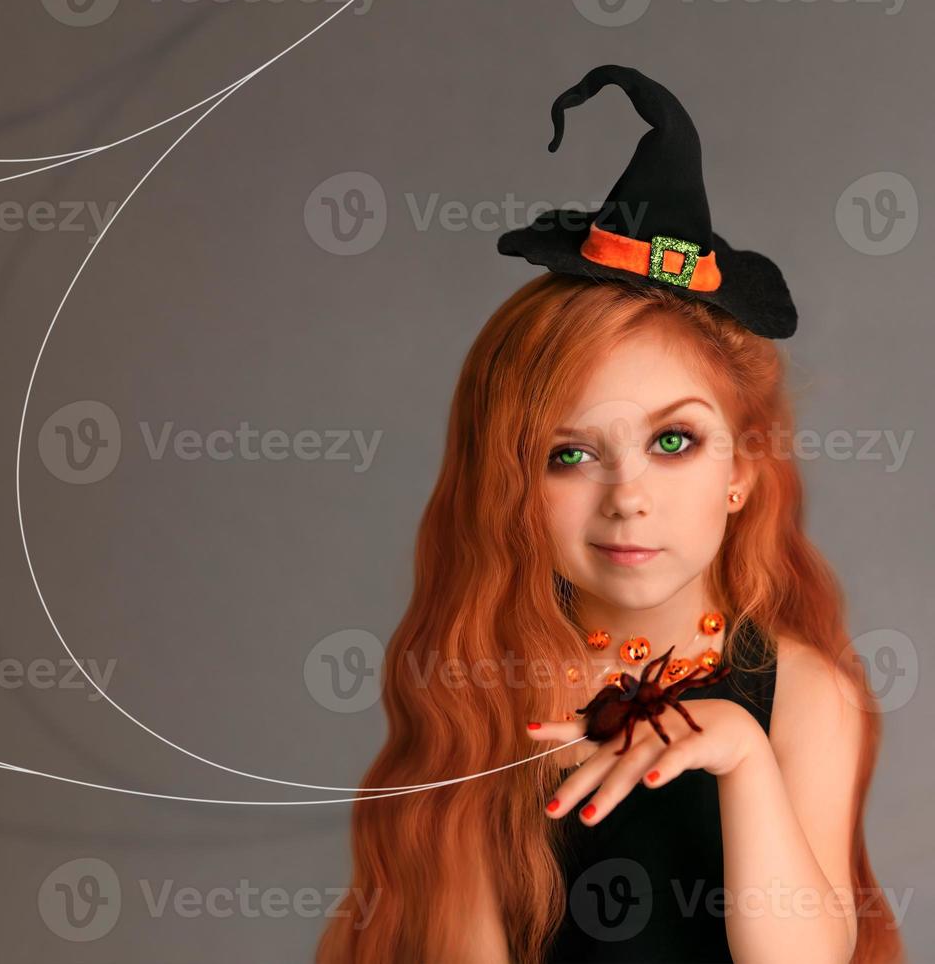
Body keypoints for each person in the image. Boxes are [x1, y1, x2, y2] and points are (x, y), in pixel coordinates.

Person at [317, 66, 903, 962]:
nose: (627, 496)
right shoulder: (487, 686)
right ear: (510, 489)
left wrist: (741, 758)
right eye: (569, 455)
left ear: (742, 468)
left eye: (674, 443)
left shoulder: (803, 697)